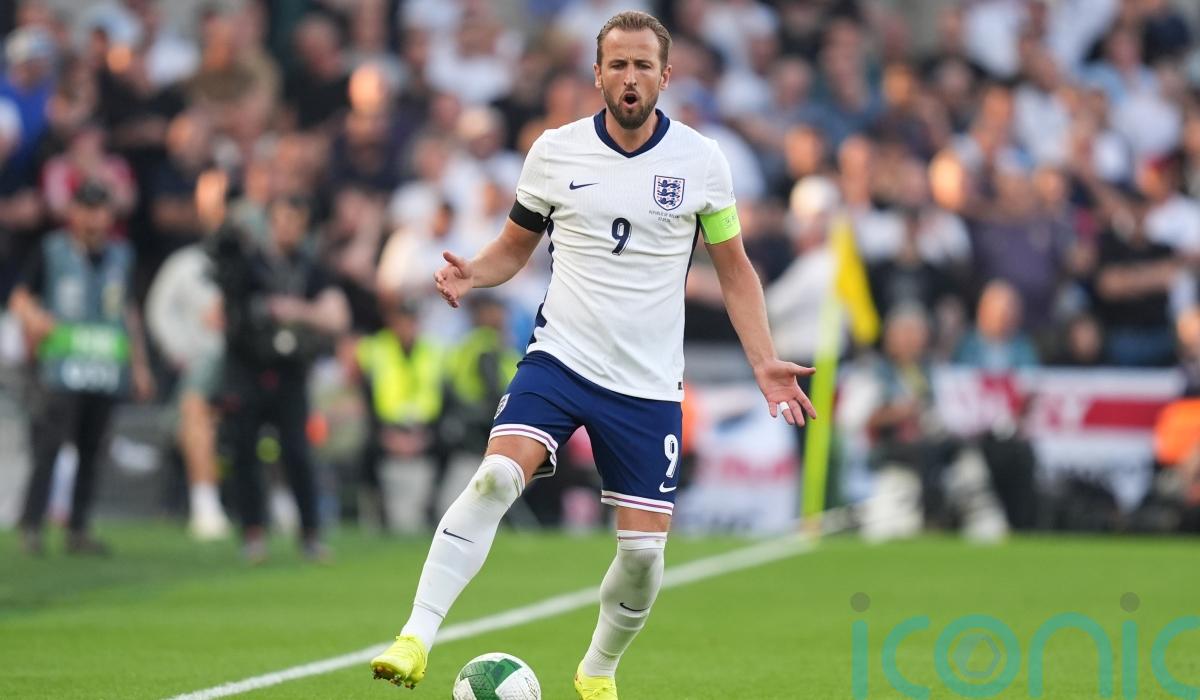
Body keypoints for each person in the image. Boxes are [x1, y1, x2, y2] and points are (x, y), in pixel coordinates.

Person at [369, 12, 816, 699]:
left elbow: (735, 270)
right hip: (561, 360)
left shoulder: (701, 161)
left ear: (666, 76)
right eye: (618, 64)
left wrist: (763, 361)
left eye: (644, 65)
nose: (630, 77)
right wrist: (474, 273)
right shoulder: (555, 152)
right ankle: (415, 637)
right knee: (494, 479)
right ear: (598, 73)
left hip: (647, 384)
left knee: (643, 558)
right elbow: (514, 248)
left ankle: (598, 670)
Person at [8, 181, 154, 555]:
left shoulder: (122, 255)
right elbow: (20, 297)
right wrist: (35, 319)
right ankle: (32, 524)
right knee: (49, 446)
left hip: (105, 366)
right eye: (86, 209)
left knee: (92, 449)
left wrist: (139, 365)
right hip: (62, 366)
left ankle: (78, 527)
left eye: (100, 210)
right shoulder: (53, 250)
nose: (93, 219)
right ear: (73, 213)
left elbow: (128, 311)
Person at [213, 194, 350, 563]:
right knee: (244, 451)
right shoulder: (248, 264)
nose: (288, 228)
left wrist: (293, 310)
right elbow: (228, 310)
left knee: (297, 452)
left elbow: (338, 317)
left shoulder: (310, 268)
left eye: (295, 221)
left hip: (291, 371)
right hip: (247, 369)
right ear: (269, 223)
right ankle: (253, 533)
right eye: (282, 220)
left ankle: (310, 534)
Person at [144, 169, 232, 540]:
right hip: (203, 363)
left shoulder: (251, 262)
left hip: (246, 365)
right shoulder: (186, 264)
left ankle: (278, 500)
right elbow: (158, 312)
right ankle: (205, 503)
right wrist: (181, 349)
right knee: (195, 412)